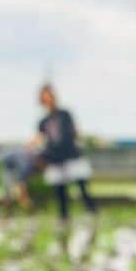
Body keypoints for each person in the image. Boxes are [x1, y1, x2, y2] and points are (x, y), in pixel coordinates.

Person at [33, 83, 95, 220]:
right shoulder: (43, 121)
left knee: (82, 187)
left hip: (71, 155)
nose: (47, 99)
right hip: (55, 159)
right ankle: (64, 218)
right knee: (60, 191)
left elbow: (73, 133)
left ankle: (92, 214)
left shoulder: (64, 114)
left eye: (49, 96)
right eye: (44, 97)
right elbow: (39, 139)